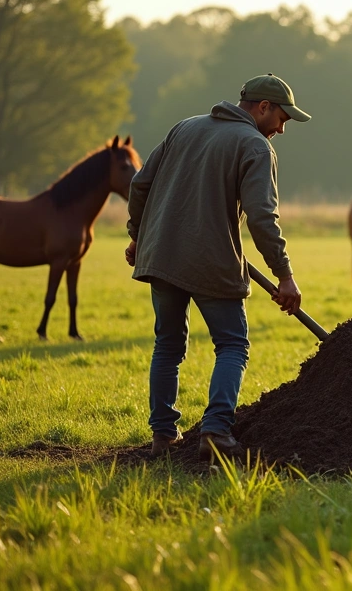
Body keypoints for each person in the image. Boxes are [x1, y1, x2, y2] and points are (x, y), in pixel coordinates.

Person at [126, 73, 309, 460]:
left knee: (168, 345)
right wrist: (285, 275)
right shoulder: (255, 146)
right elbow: (262, 217)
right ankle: (216, 429)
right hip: (212, 262)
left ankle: (163, 437)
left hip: (161, 256)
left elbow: (140, 184)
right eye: (282, 118)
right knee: (232, 344)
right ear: (263, 107)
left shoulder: (184, 128)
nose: (282, 128)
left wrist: (138, 236)